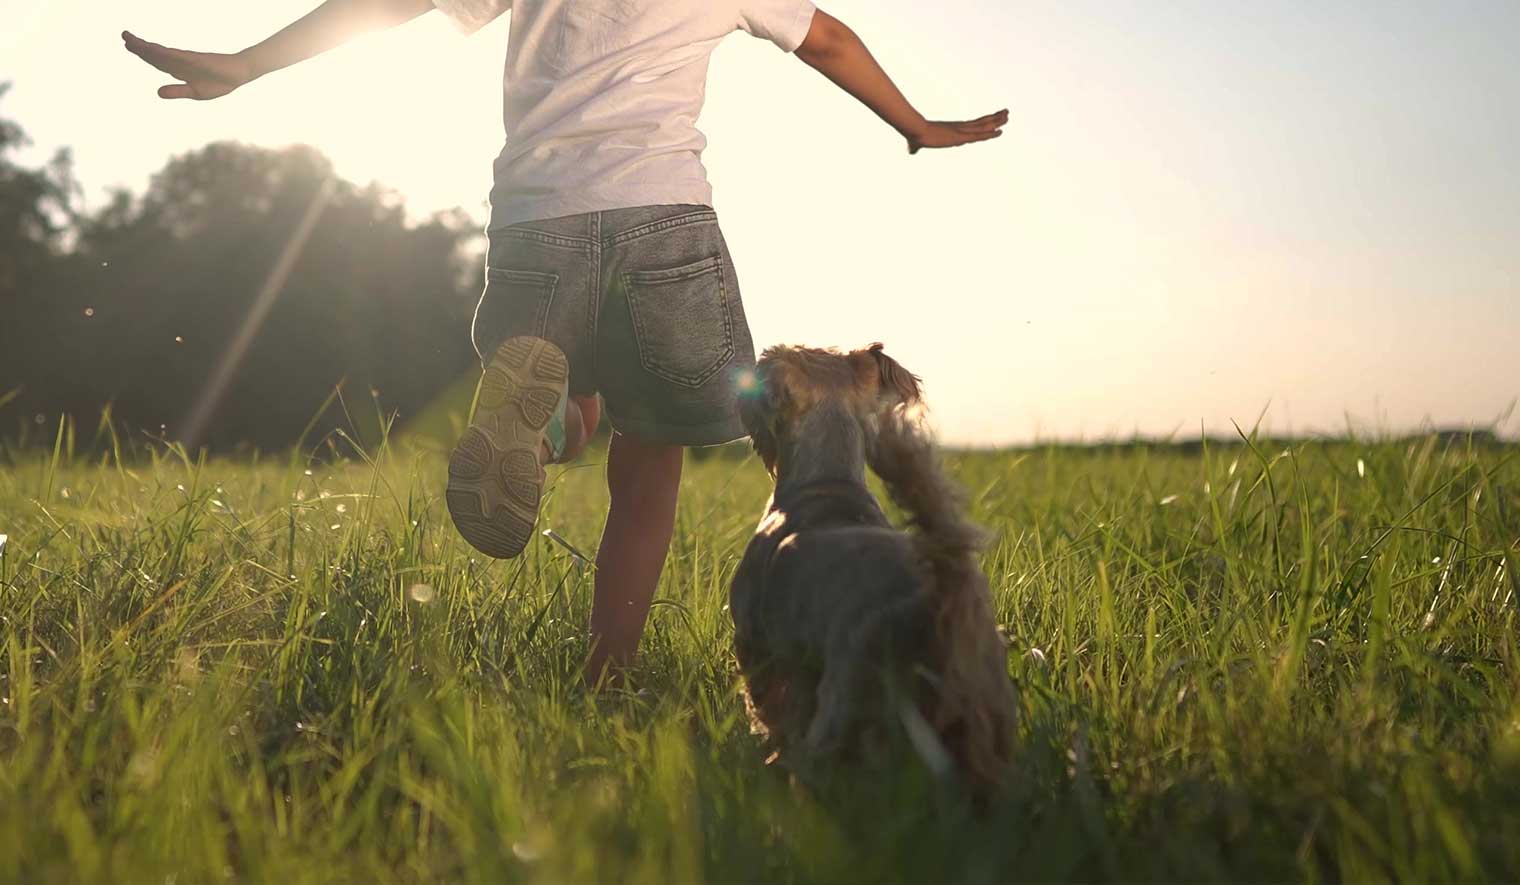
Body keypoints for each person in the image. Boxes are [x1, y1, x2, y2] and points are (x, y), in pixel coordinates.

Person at [122, 0, 1007, 684]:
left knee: (556, 369)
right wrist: (917, 123)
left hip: (536, 223)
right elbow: (827, 41)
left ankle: (547, 424)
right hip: (665, 225)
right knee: (649, 466)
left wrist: (244, 64)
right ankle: (607, 670)